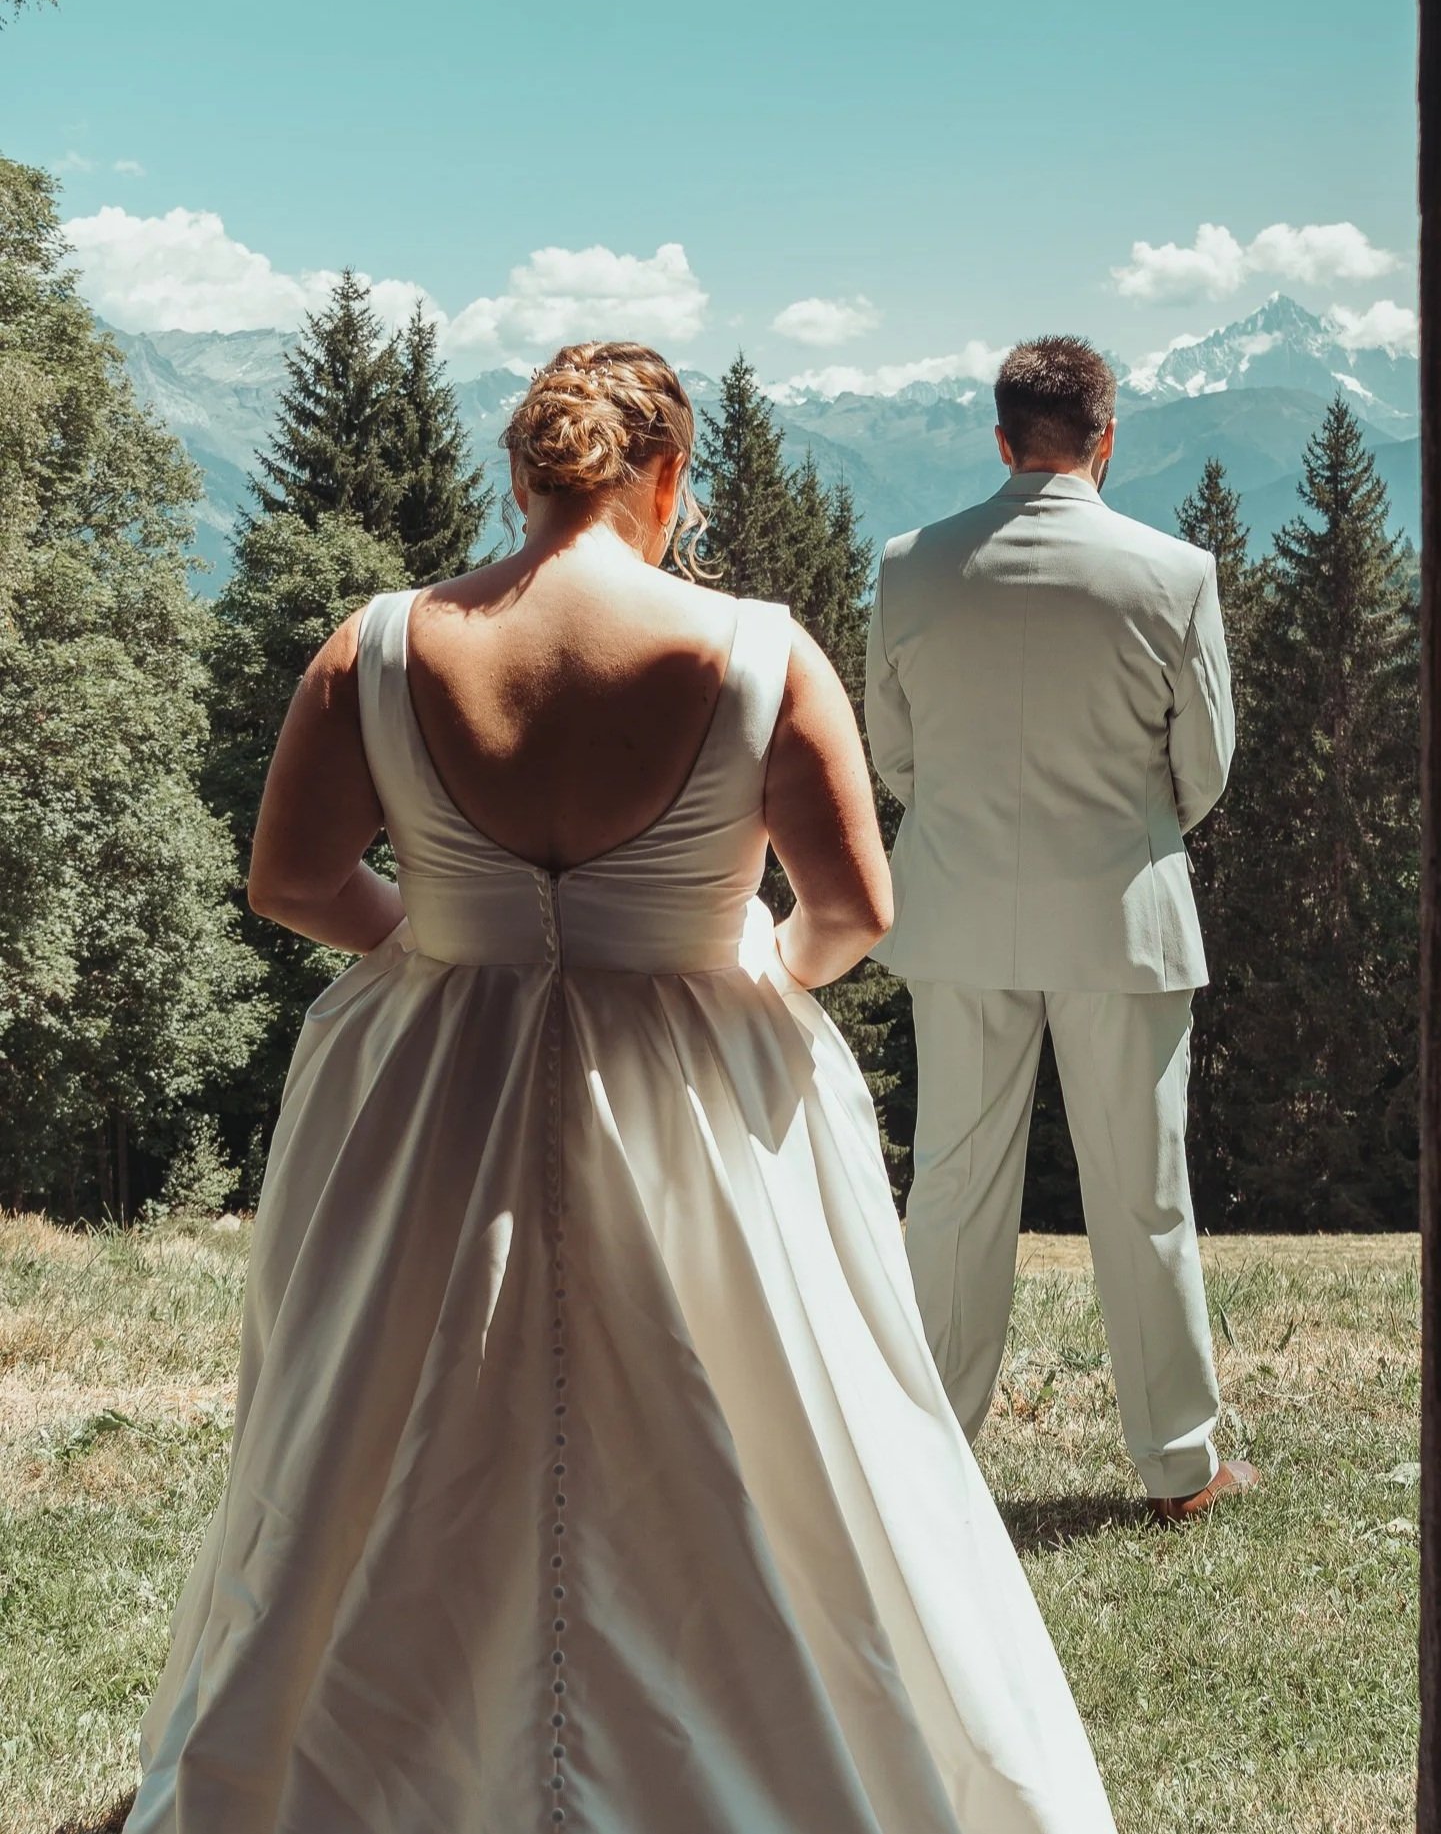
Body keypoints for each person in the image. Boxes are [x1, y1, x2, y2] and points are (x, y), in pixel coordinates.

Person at [124, 342, 1116, 1834]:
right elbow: (853, 912)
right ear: (666, 479)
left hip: (437, 1095)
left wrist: (436, 946)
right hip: (689, 1089)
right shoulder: (759, 652)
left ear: (520, 479)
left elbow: (290, 877)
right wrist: (752, 978)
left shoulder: (382, 643)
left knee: (380, 1436)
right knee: (771, 1437)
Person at [865, 335, 1258, 1520]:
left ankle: (927, 1461)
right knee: (1144, 1196)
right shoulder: (1172, 572)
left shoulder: (909, 567)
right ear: (1107, 435)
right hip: (1122, 917)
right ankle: (1178, 1465)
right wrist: (1130, 827)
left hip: (957, 909)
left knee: (950, 1189)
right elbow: (1207, 763)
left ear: (999, 438)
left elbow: (895, 756)